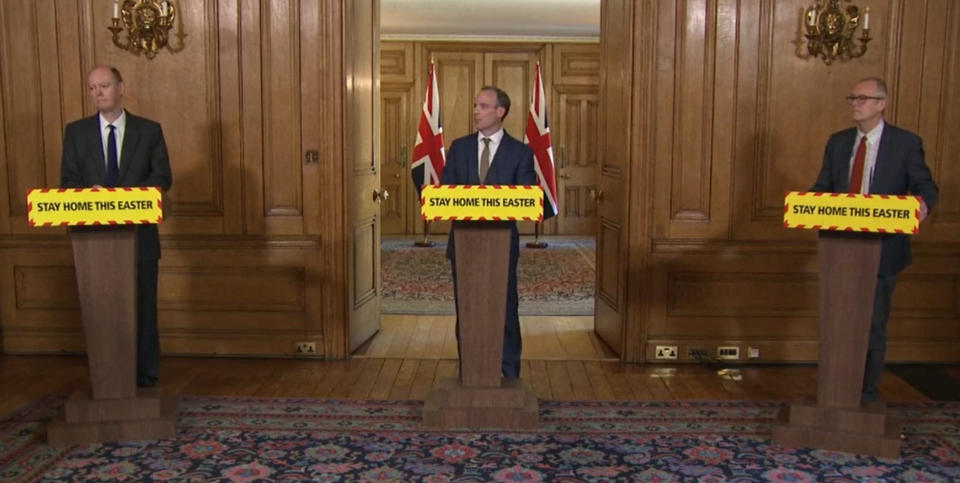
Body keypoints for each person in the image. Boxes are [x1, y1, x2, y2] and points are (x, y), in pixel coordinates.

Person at [810, 77, 938, 403]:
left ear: (881, 104)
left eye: (863, 98)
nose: (855, 103)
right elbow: (822, 187)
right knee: (838, 324)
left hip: (883, 252)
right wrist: (806, 204)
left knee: (873, 325)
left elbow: (925, 186)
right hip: (840, 250)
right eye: (852, 97)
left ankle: (865, 396)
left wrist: (923, 204)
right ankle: (833, 394)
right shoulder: (838, 143)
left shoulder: (906, 143)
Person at [60, 66, 173, 388]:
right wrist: (88, 195)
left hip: (140, 239)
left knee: (143, 307)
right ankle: (107, 377)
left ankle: (145, 375)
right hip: (93, 244)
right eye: (92, 87)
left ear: (120, 88)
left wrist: (125, 198)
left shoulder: (148, 131)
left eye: (105, 86)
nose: (98, 92)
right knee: (102, 311)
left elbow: (162, 177)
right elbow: (67, 182)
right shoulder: (76, 132)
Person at [441, 86, 537, 378]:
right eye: (474, 105)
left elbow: (525, 198)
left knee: (504, 309)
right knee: (467, 308)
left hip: (502, 246)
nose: (475, 112)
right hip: (464, 243)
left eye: (483, 106)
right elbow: (446, 192)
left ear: (500, 112)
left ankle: (508, 372)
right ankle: (469, 369)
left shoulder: (520, 152)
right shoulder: (459, 147)